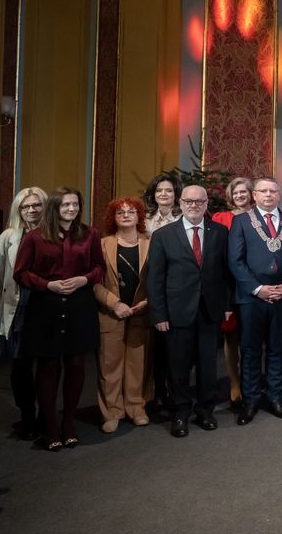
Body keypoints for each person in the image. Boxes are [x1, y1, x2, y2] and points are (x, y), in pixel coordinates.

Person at [12, 187, 104, 451]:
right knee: (48, 366)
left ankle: (69, 425)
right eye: (66, 205)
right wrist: (46, 285)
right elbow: (21, 273)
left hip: (79, 306)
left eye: (75, 204)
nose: (71, 209)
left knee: (76, 365)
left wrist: (84, 279)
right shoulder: (35, 237)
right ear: (54, 207)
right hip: (46, 307)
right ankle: (51, 427)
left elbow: (100, 268)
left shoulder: (89, 234)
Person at [146, 186, 232, 437]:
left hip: (209, 310)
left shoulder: (220, 232)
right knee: (178, 366)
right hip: (176, 312)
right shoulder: (163, 235)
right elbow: (155, 279)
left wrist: (227, 306)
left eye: (199, 201)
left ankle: (206, 411)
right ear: (180, 204)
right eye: (189, 201)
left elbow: (225, 273)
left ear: (206, 204)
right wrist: (159, 314)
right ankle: (181, 413)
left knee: (208, 366)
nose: (194, 205)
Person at [227, 177, 282, 425]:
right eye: (263, 191)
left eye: (273, 191)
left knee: (277, 349)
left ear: (279, 195)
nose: (268, 195)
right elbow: (235, 261)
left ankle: (276, 397)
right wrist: (257, 289)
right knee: (249, 351)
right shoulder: (240, 221)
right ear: (254, 195)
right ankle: (250, 400)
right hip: (252, 298)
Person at [93, 197, 152, 433]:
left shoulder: (151, 242)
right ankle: (112, 412)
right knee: (110, 365)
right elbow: (94, 281)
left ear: (139, 216)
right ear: (113, 218)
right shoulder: (101, 244)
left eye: (131, 211)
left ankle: (137, 407)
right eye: (120, 212)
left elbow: (158, 277)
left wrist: (148, 301)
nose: (126, 215)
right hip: (111, 313)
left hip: (142, 311)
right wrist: (114, 303)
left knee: (139, 364)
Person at [0, 186, 48, 440]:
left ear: (45, 207)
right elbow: (2, 274)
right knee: (21, 366)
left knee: (47, 365)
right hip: (17, 305)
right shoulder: (8, 237)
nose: (31, 210)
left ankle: (45, 416)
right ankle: (27, 415)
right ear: (18, 209)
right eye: (25, 206)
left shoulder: (54, 235)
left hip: (46, 303)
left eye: (36, 205)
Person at [211, 176, 252, 411]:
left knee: (251, 337)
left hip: (251, 283)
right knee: (231, 336)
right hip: (228, 284)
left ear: (250, 194)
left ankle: (250, 382)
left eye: (243, 192)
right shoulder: (220, 218)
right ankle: (234, 384)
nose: (239, 196)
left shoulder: (258, 217)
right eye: (235, 193)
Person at [143, 172, 181, 413]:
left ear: (175, 194)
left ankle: (173, 392)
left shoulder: (183, 218)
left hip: (176, 286)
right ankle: (157, 392)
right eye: (159, 191)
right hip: (150, 283)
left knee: (173, 345)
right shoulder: (145, 220)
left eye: (168, 190)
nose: (164, 194)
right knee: (154, 345)